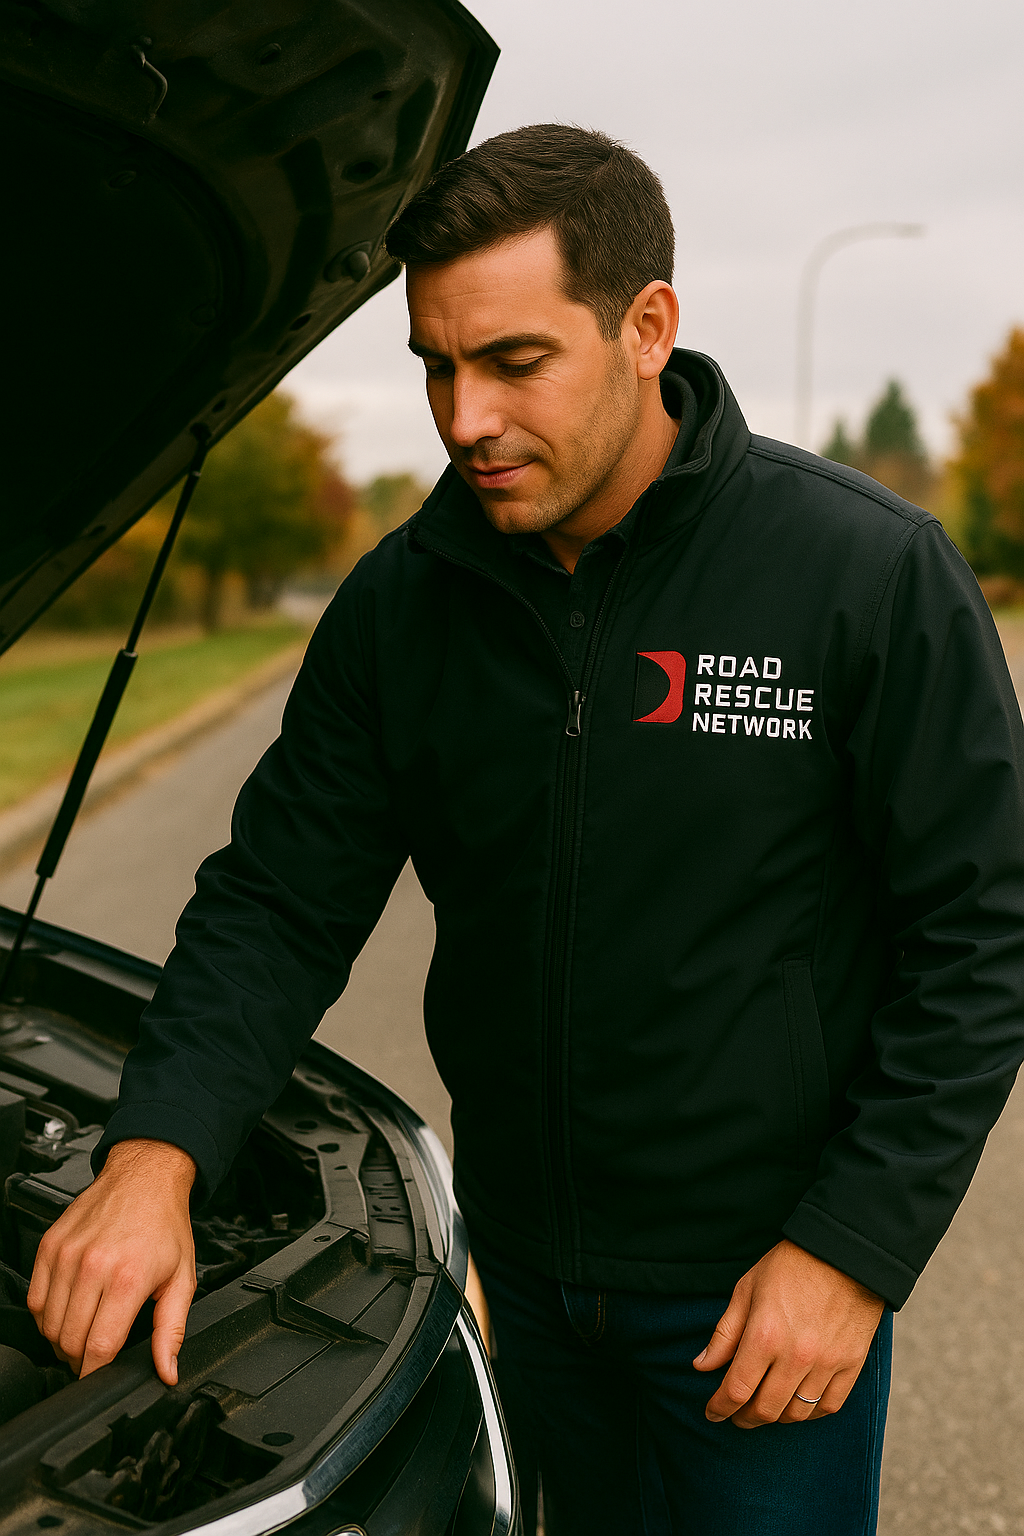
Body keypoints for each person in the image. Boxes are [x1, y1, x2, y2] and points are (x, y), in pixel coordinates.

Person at [27, 125, 1024, 1535]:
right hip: (521, 1284)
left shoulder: (864, 574)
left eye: (511, 362)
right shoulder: (401, 605)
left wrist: (849, 1254)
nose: (462, 417)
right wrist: (155, 1156)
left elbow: (985, 939)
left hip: (763, 1301)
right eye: (436, 363)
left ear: (645, 328)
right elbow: (277, 904)